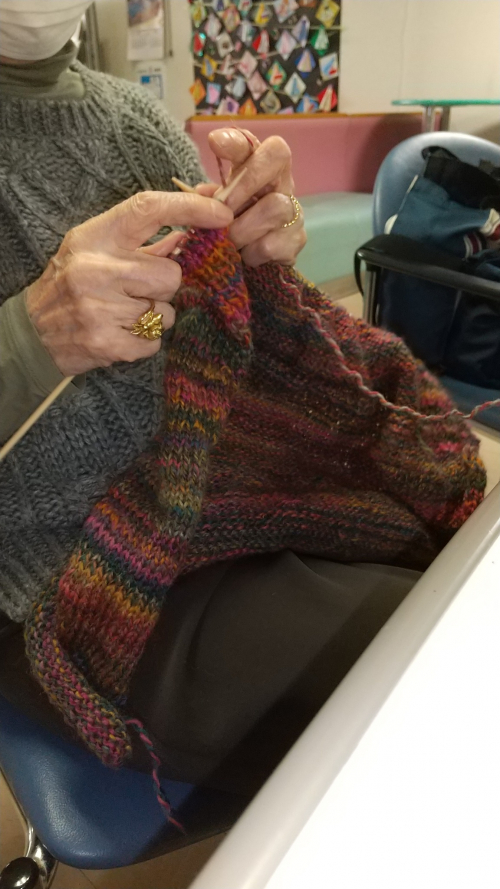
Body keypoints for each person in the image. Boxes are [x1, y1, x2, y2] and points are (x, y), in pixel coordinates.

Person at [0, 0, 422, 796]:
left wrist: (261, 255)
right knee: (433, 673)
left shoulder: (132, 121)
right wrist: (29, 337)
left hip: (227, 484)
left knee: (448, 579)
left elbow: (198, 331)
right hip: (75, 574)